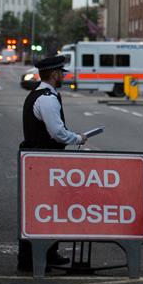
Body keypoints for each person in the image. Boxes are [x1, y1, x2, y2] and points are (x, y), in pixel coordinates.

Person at [18, 55, 87, 271]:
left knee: (49, 208)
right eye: (61, 74)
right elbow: (57, 133)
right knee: (41, 209)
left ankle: (50, 252)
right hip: (43, 160)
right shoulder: (47, 98)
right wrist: (78, 138)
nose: (63, 77)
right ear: (54, 74)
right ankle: (32, 260)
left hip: (40, 160)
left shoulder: (39, 94)